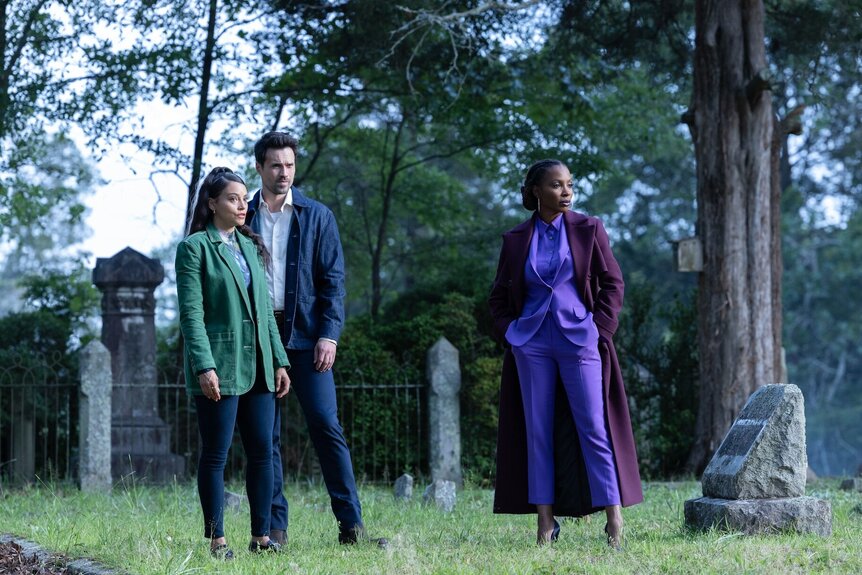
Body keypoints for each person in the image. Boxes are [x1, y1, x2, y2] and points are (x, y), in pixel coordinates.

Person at [488, 159, 643, 548]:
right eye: (557, 185)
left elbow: (613, 283)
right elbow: (498, 297)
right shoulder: (515, 239)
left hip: (579, 341)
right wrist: (512, 333)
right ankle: (545, 523)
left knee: (594, 426)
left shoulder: (589, 229)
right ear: (537, 191)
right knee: (537, 431)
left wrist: (599, 330)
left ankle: (615, 520)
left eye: (569, 184)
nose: (567, 192)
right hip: (532, 344)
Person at [245, 131, 386, 548]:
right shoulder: (242, 215)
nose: (283, 172)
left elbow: (334, 282)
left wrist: (330, 334)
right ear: (260, 167)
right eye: (275, 165)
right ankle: (274, 530)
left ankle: (352, 527)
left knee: (326, 424)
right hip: (259, 339)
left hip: (308, 336)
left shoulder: (317, 215)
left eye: (289, 165)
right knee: (263, 435)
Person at [176, 167, 291, 558]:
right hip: (220, 367)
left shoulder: (250, 246)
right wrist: (204, 366)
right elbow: (192, 315)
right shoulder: (194, 248)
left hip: (259, 366)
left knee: (262, 452)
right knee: (216, 454)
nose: (242, 206)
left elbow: (264, 312)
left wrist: (279, 361)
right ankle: (217, 539)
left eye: (244, 199)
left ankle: (261, 537)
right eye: (232, 199)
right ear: (212, 204)